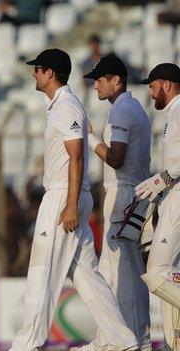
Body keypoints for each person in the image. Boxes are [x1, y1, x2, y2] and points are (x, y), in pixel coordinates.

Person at [9, 49, 138, 351]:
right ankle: (121, 339)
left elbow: (76, 157)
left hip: (62, 195)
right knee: (86, 276)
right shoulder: (59, 106)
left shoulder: (66, 106)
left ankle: (26, 344)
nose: (34, 74)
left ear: (50, 73)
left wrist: (68, 205)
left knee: (42, 274)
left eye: (38, 69)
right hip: (68, 194)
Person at [83, 54, 152, 350]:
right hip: (130, 192)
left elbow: (116, 158)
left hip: (124, 192)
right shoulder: (132, 107)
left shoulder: (123, 110)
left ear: (116, 81)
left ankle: (132, 340)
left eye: (100, 79)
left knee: (124, 273)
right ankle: (115, 338)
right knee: (117, 271)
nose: (96, 85)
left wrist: (90, 139)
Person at [136, 63, 180, 350]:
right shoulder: (170, 113)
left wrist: (162, 178)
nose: (151, 94)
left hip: (178, 195)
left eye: (153, 87)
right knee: (171, 272)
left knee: (157, 272)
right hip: (171, 195)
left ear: (166, 84)